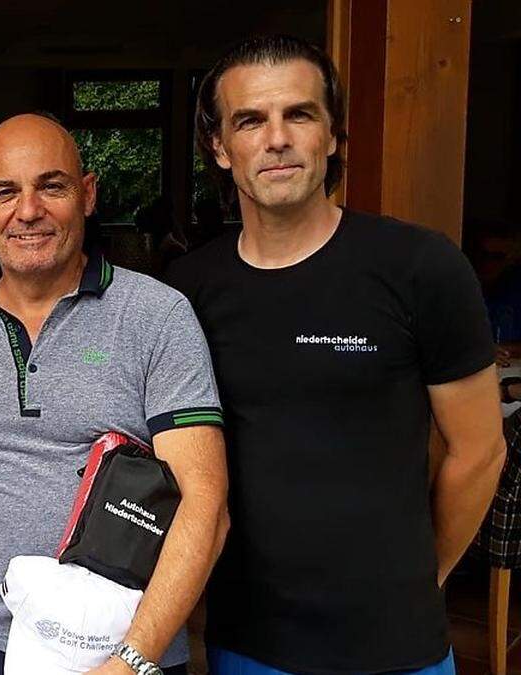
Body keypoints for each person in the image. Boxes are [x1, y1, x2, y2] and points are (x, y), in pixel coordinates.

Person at [166, 35, 506, 674]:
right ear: (219, 147)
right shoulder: (185, 291)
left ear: (333, 135)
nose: (276, 138)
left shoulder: (419, 267)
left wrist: (416, 579)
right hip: (248, 640)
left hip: (395, 643)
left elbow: (480, 449)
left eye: (299, 114)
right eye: (249, 120)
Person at [0, 113, 229, 675]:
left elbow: (206, 504)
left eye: (51, 186)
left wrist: (133, 660)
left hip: (116, 650)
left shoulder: (157, 316)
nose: (27, 211)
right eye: (5, 192)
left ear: (87, 194)